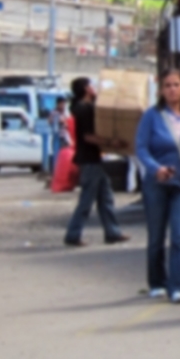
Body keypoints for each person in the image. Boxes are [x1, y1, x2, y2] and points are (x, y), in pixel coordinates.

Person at [134, 69, 180, 304]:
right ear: (161, 90)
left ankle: (178, 287)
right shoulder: (152, 116)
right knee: (156, 236)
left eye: (176, 84)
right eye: (167, 85)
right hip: (157, 184)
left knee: (179, 236)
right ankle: (157, 282)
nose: (172, 89)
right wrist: (156, 168)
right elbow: (141, 147)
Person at [64, 77, 130, 247]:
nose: (94, 88)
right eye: (91, 86)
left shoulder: (83, 107)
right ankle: (73, 234)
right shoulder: (84, 109)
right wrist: (110, 142)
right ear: (86, 89)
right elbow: (88, 137)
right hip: (89, 160)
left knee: (105, 196)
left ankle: (112, 232)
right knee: (87, 200)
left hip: (93, 160)